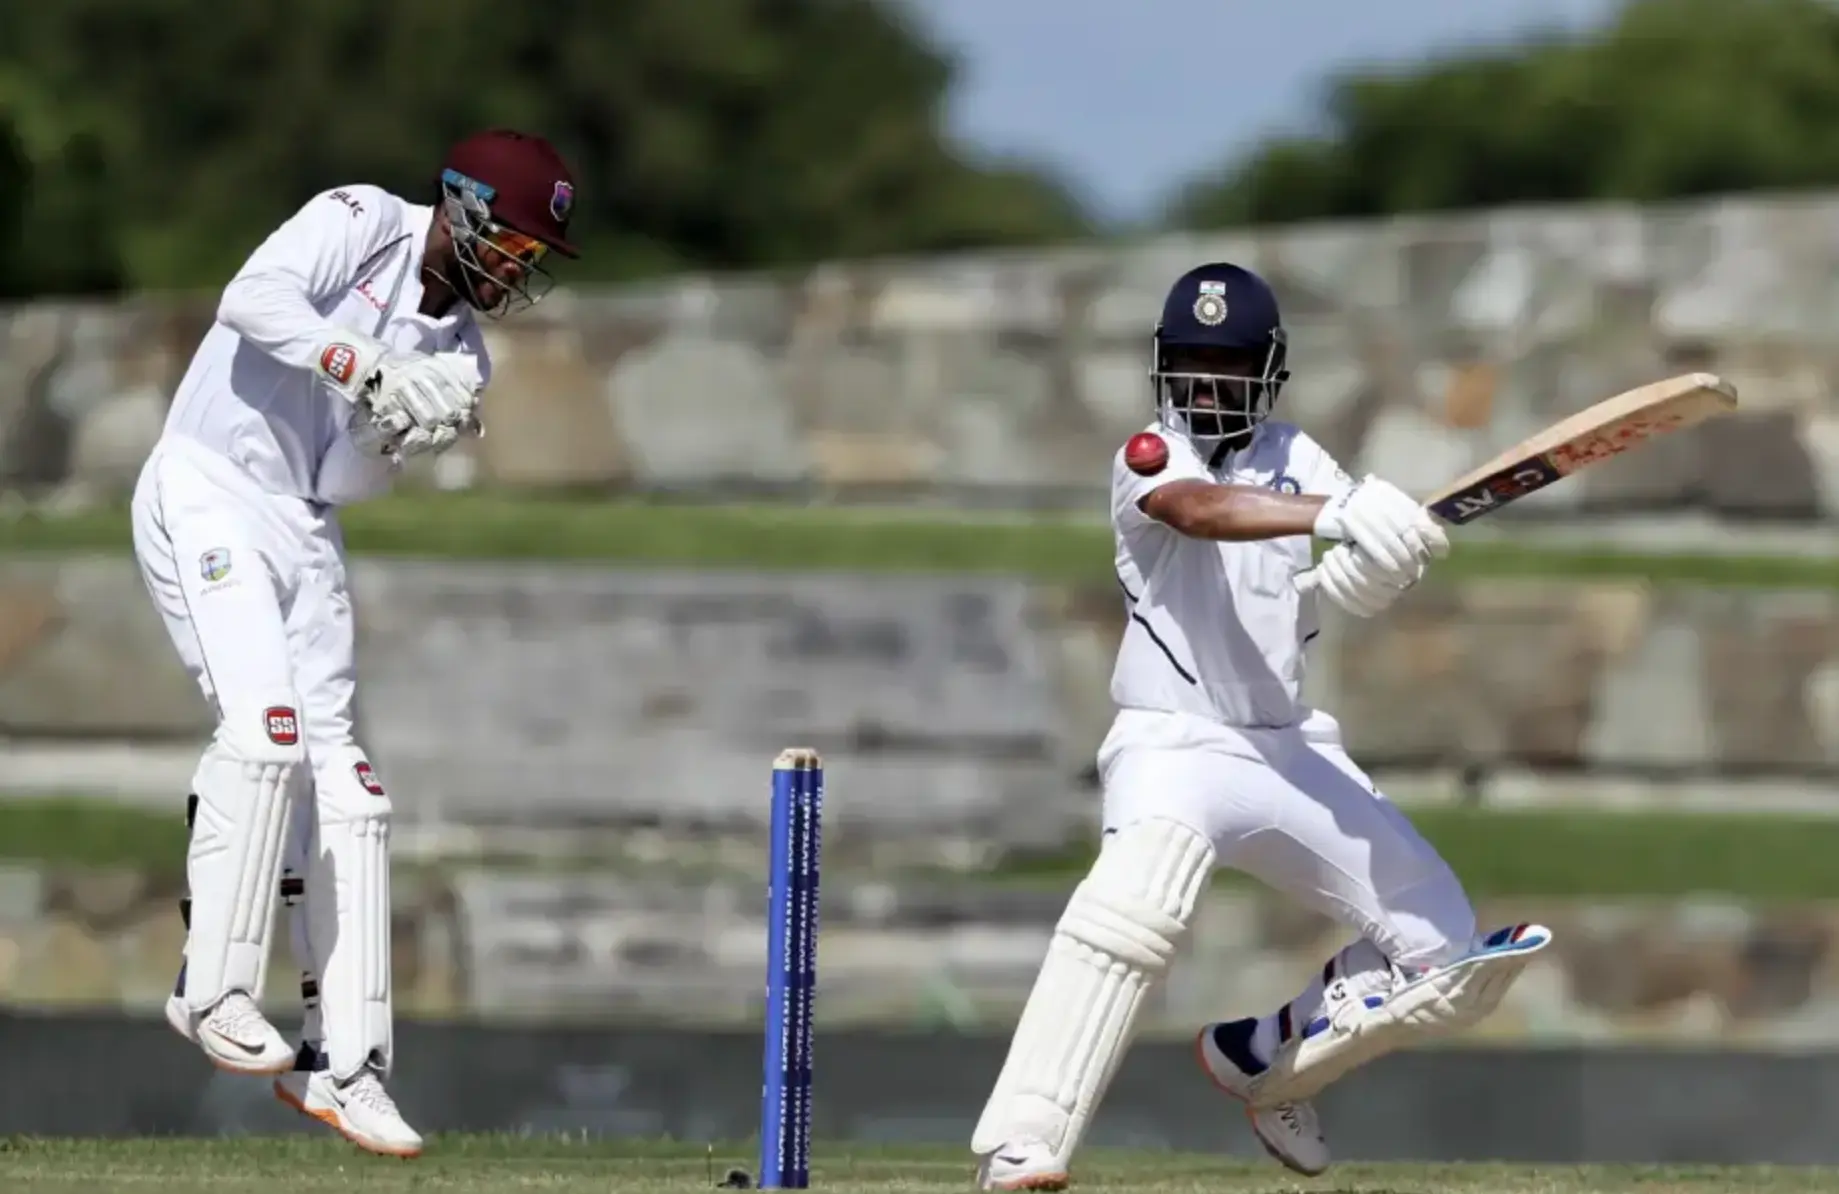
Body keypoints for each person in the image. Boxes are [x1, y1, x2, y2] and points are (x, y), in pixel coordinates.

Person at [969, 263, 1551, 1190]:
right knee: (1131, 916)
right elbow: (1203, 514)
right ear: (1163, 370)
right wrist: (1339, 514)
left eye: (1226, 366)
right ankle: (1024, 1145)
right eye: (1189, 365)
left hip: (1283, 746)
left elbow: (1307, 582)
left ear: (1266, 371)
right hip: (1171, 742)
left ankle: (1263, 1059)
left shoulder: (1298, 455)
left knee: (1443, 954)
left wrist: (1358, 573)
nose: (1205, 387)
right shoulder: (1146, 459)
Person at [131, 128, 580, 1157]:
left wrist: (388, 433)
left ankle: (345, 1065)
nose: (520, 271)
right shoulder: (362, 221)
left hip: (303, 523)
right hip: (206, 485)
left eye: (533, 260)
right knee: (266, 734)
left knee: (353, 793)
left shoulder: (463, 350)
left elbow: (342, 483)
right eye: (513, 245)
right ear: (464, 211)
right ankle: (211, 989)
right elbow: (249, 298)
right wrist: (363, 361)